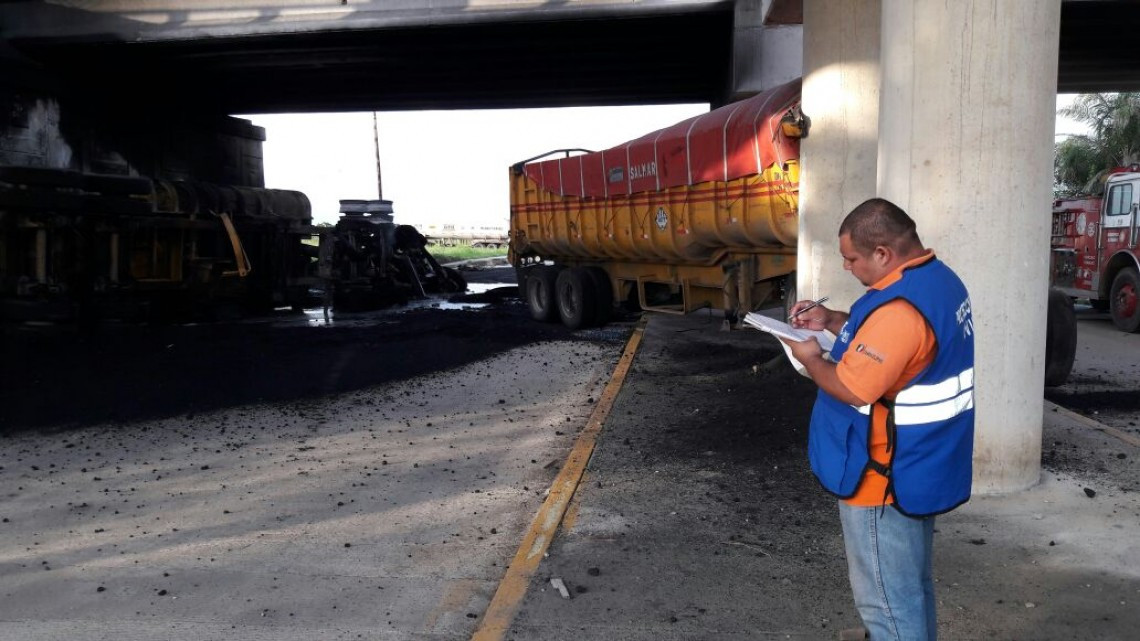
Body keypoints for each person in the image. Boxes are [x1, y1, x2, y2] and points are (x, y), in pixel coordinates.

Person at [781, 198, 975, 641]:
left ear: (883, 253)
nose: (847, 267)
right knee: (910, 591)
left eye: (851, 258)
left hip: (881, 479)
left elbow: (854, 388)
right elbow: (889, 343)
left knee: (887, 604)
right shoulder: (937, 281)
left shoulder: (898, 314)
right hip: (921, 464)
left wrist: (811, 358)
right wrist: (832, 320)